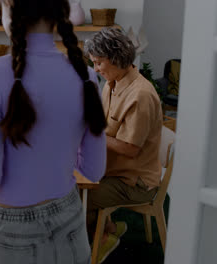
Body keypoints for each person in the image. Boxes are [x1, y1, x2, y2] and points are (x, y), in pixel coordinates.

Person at [0, 0, 107, 263]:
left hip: (14, 235)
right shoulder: (86, 75)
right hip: (70, 218)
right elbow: (94, 169)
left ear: (8, 8)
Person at [84, 28, 163, 263]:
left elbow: (130, 149)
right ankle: (107, 227)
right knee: (74, 175)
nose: (96, 69)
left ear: (116, 58)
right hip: (115, 170)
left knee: (76, 193)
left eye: (99, 63)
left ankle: (103, 237)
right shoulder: (113, 82)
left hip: (135, 182)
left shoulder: (141, 95)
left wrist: (90, 134)